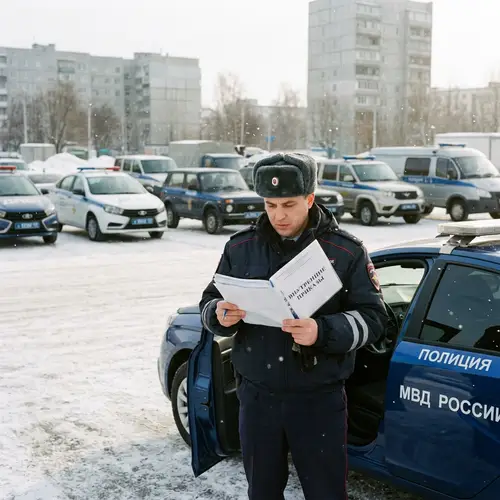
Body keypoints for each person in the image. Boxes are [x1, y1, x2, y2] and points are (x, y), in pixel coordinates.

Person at [199, 152, 388, 500]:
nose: (279, 215)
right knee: (263, 492)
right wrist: (218, 314)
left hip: (318, 398)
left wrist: (323, 332)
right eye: (270, 205)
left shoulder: (344, 251)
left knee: (326, 492)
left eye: (289, 204)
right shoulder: (240, 247)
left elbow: (375, 319)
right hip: (257, 398)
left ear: (310, 198)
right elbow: (210, 299)